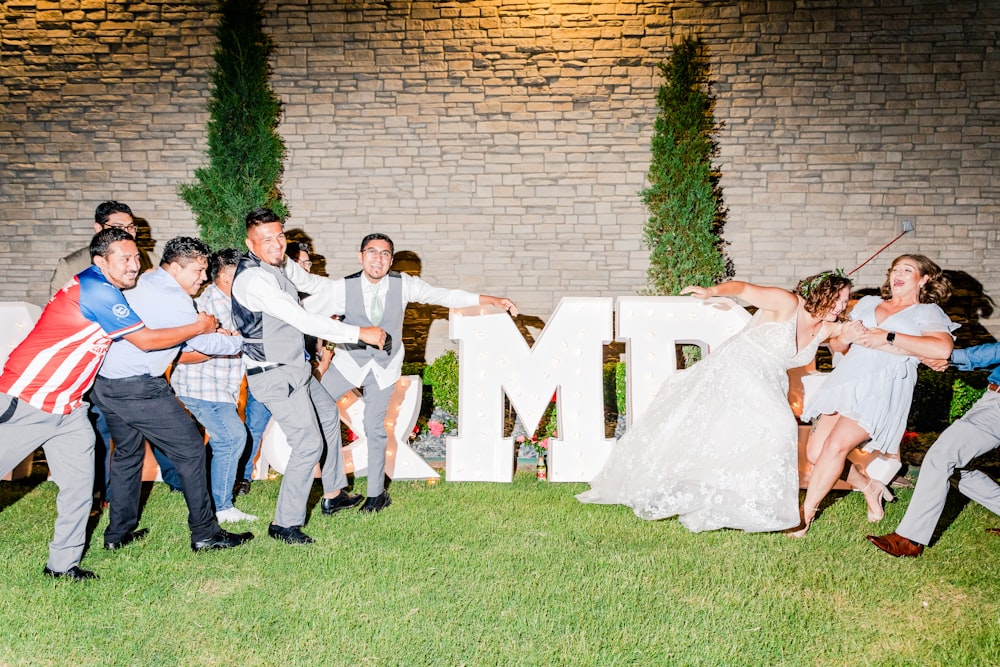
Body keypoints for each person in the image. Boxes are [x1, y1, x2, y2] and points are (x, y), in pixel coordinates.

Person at [0, 228, 219, 580]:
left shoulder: (114, 290)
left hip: (70, 409)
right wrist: (200, 326)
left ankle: (62, 566)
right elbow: (145, 341)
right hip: (28, 400)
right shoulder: (96, 290)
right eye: (125, 259)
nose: (134, 265)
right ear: (101, 261)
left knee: (78, 489)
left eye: (136, 257)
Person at [577, 271, 854, 533]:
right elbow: (744, 289)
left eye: (844, 302)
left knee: (739, 436)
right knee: (781, 427)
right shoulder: (788, 303)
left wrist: (853, 332)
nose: (841, 306)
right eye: (839, 298)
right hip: (738, 367)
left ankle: (744, 499)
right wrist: (712, 291)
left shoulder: (825, 329)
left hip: (769, 379)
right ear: (823, 291)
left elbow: (843, 344)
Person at [303, 232, 519, 514]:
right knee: (315, 409)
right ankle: (333, 491)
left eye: (384, 254)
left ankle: (375, 495)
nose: (377, 258)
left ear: (391, 260)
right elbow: (304, 315)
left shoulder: (403, 284)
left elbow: (445, 296)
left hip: (384, 367)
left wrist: (488, 299)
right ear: (360, 256)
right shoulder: (342, 288)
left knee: (373, 428)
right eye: (371, 252)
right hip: (348, 363)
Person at [231, 208, 383, 545]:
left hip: (295, 367)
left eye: (279, 236)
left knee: (328, 413)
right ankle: (284, 524)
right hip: (273, 374)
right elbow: (302, 320)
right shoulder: (254, 279)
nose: (276, 244)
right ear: (250, 242)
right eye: (266, 239)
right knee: (307, 443)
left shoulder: (279, 266)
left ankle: (333, 493)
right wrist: (360, 332)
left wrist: (361, 289)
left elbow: (314, 285)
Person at [93, 237, 254, 553]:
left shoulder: (149, 280)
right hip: (139, 387)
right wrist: (239, 342)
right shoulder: (174, 296)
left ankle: (117, 535)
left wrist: (209, 331)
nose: (202, 277)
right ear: (176, 267)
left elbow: (183, 337)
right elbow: (201, 344)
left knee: (127, 455)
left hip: (108, 383)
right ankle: (206, 534)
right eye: (197, 270)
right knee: (192, 449)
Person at [793, 255, 956, 536]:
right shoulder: (867, 303)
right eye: (895, 269)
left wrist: (888, 336)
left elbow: (942, 350)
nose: (898, 274)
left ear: (924, 279)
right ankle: (870, 486)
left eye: (908, 269)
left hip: (882, 387)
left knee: (835, 448)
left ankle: (804, 517)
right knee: (817, 453)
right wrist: (846, 337)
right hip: (847, 381)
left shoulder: (926, 312)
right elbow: (838, 346)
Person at [49, 201, 177, 504]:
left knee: (149, 421)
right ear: (99, 229)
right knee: (99, 429)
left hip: (133, 356)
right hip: (93, 360)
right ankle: (99, 493)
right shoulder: (73, 264)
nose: (128, 232)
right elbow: (59, 313)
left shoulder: (140, 259)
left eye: (131, 227)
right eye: (119, 227)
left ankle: (173, 480)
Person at [867, 342, 1000, 557]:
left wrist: (945, 355)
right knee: (953, 467)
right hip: (993, 398)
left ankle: (910, 539)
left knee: (942, 458)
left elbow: (994, 353)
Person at [172, 248, 257, 524]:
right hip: (202, 385)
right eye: (240, 275)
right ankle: (221, 507)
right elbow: (183, 350)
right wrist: (229, 342)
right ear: (224, 276)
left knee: (224, 440)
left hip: (219, 386)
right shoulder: (207, 304)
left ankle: (208, 497)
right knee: (233, 437)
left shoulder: (233, 302)